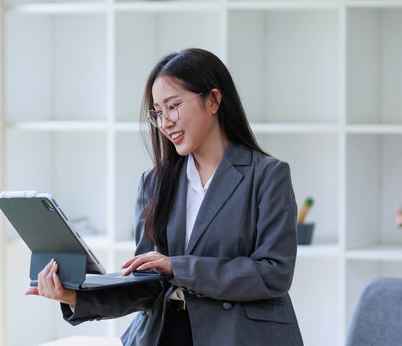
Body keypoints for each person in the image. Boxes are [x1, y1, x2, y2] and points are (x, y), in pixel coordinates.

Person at [25, 48, 304, 345]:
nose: (164, 122)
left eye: (173, 107)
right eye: (157, 112)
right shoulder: (154, 182)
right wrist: (73, 296)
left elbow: (274, 273)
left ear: (213, 100)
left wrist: (176, 267)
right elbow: (147, 285)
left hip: (239, 336)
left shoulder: (267, 175)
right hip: (165, 332)